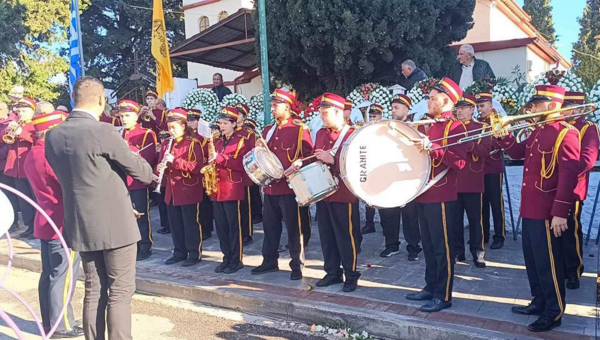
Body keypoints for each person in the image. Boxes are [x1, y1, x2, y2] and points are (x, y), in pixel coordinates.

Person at [45, 76, 154, 340]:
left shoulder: (53, 135)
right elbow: (144, 174)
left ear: (73, 99)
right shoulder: (103, 131)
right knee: (119, 291)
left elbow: (87, 175)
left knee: (94, 288)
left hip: (81, 223)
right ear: (101, 100)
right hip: (115, 224)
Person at [497, 85, 580, 332]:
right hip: (530, 208)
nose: (531, 108)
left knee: (549, 263)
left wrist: (559, 212)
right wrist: (503, 135)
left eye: (537, 104)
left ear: (552, 105)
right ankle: (539, 301)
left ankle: (554, 311)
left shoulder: (566, 133)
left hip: (547, 211)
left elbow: (568, 176)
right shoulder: (538, 131)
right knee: (533, 261)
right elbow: (517, 153)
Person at [406, 78, 467, 312]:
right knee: (429, 245)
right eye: (429, 98)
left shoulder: (455, 127)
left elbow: (460, 161)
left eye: (433, 98)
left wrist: (434, 148)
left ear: (446, 100)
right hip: (424, 192)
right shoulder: (430, 125)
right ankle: (430, 287)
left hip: (442, 194)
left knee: (443, 248)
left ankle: (444, 295)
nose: (429, 102)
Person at [24, 111, 84, 338]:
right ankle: (63, 324)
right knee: (64, 276)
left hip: (45, 221)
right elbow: (69, 185)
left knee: (50, 274)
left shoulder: (33, 154)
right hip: (62, 223)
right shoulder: (50, 155)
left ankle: (50, 322)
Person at [251, 89, 313, 280]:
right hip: (270, 187)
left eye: (276, 105)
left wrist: (298, 164)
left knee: (294, 227)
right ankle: (269, 261)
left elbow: (308, 156)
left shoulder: (299, 128)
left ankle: (297, 265)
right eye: (272, 104)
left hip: (290, 188)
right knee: (270, 226)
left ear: (287, 106)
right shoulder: (269, 130)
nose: (273, 107)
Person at [313, 93, 361, 293]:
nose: (322, 117)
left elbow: (359, 164)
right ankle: (332, 272)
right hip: (324, 192)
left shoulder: (354, 134)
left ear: (338, 112)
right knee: (326, 234)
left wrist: (333, 160)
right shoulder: (321, 133)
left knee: (345, 235)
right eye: (321, 113)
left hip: (344, 193)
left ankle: (351, 274)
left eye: (325, 113)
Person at [157, 108, 206, 267]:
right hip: (171, 190)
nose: (171, 131)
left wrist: (175, 161)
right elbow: (160, 162)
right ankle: (179, 252)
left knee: (190, 223)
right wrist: (159, 168)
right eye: (169, 127)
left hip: (187, 189)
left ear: (183, 126)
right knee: (175, 223)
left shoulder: (193, 143)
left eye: (174, 127)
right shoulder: (166, 143)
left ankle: (194, 253)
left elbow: (198, 167)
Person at [562, 92, 599, 290]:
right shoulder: (559, 126)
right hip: (553, 187)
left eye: (567, 106)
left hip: (573, 188)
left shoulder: (587, 128)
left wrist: (560, 172)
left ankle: (574, 270)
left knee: (571, 231)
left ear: (577, 108)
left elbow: (587, 160)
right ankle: (559, 268)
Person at [453, 95, 491, 267]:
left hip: (473, 181)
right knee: (455, 220)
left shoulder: (482, 128)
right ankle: (457, 252)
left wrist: (468, 145)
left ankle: (478, 252)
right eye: (458, 108)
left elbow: (484, 151)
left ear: (472, 110)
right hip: (454, 180)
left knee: (476, 220)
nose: (459, 111)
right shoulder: (452, 127)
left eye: (463, 108)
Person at [212, 107, 252, 274]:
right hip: (216, 188)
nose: (221, 126)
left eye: (225, 123)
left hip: (232, 188)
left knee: (233, 226)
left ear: (234, 124)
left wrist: (220, 159)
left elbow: (243, 163)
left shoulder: (242, 140)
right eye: (220, 123)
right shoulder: (217, 141)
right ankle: (226, 257)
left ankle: (236, 260)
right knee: (220, 227)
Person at [118, 100, 158, 261]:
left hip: (136, 181)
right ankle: (130, 245)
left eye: (127, 115)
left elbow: (147, 158)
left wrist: (129, 151)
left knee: (140, 215)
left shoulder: (146, 133)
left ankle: (144, 245)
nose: (124, 119)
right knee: (124, 216)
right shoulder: (119, 133)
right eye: (121, 116)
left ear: (136, 116)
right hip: (121, 181)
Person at [390, 94, 422, 261]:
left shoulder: (415, 126)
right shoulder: (387, 127)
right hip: (391, 174)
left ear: (406, 110)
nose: (393, 111)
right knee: (390, 213)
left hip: (409, 176)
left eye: (396, 108)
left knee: (410, 216)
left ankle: (413, 247)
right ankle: (391, 245)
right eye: (392, 108)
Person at [2, 97, 37, 238]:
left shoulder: (36, 125)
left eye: (24, 110)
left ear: (32, 111)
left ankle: (37, 226)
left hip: (30, 167)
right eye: (19, 111)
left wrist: (21, 133)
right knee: (23, 200)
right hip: (15, 168)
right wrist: (7, 130)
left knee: (34, 199)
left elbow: (37, 140)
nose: (21, 113)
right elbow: (4, 139)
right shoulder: (14, 123)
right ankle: (29, 225)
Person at [476, 92, 506, 249]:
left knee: (495, 202)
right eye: (478, 106)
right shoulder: (478, 122)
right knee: (482, 203)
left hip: (493, 166)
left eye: (482, 106)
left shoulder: (499, 121)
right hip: (480, 167)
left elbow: (504, 141)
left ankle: (499, 235)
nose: (479, 109)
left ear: (490, 105)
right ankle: (484, 234)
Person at [187, 108, 214, 240]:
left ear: (198, 121)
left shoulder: (203, 136)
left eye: (193, 120)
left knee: (204, 204)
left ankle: (207, 229)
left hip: (202, 172)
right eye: (188, 120)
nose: (190, 123)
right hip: (189, 172)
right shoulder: (187, 136)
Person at [234, 103, 256, 246]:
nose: (236, 116)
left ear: (244, 116)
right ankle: (237, 231)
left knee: (245, 206)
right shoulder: (230, 131)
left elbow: (253, 152)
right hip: (232, 174)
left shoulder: (248, 133)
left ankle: (247, 233)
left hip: (245, 173)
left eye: (239, 114)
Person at [362, 104, 384, 235]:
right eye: (370, 116)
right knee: (368, 197)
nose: (372, 119)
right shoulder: (366, 129)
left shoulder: (383, 129)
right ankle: (369, 224)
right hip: (368, 166)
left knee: (380, 198)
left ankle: (384, 225)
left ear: (381, 116)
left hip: (381, 168)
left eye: (374, 116)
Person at [0, 101, 19, 232]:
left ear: (6, 110)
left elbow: (8, 145)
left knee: (9, 195)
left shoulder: (10, 123)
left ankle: (13, 222)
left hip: (4, 164)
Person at [242, 117, 264, 225]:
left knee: (254, 193)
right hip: (246, 168)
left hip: (253, 166)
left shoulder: (250, 135)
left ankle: (258, 214)